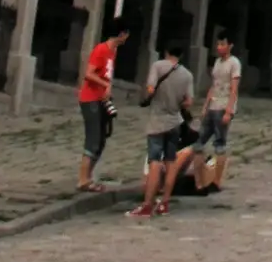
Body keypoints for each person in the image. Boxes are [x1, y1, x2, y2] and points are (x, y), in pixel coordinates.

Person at [130, 43, 194, 219]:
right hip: (175, 122)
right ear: (180, 55)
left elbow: (150, 89)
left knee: (154, 161)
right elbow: (188, 102)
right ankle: (164, 202)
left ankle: (147, 204)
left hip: (157, 121)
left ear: (166, 52)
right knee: (171, 161)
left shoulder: (157, 66)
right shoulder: (187, 75)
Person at [76, 16, 128, 193]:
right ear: (122, 34)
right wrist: (105, 84)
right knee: (93, 138)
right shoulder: (101, 50)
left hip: (102, 100)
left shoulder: (112, 52)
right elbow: (88, 73)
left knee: (101, 139)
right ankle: (83, 179)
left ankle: (89, 177)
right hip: (90, 98)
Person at [194, 29, 241, 186]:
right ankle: (199, 181)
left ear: (230, 46)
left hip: (223, 106)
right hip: (213, 105)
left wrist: (229, 110)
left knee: (219, 145)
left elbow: (234, 89)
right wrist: (205, 106)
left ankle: (217, 180)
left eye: (222, 44)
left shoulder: (234, 63)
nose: (219, 47)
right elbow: (213, 85)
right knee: (198, 143)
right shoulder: (217, 62)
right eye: (218, 44)